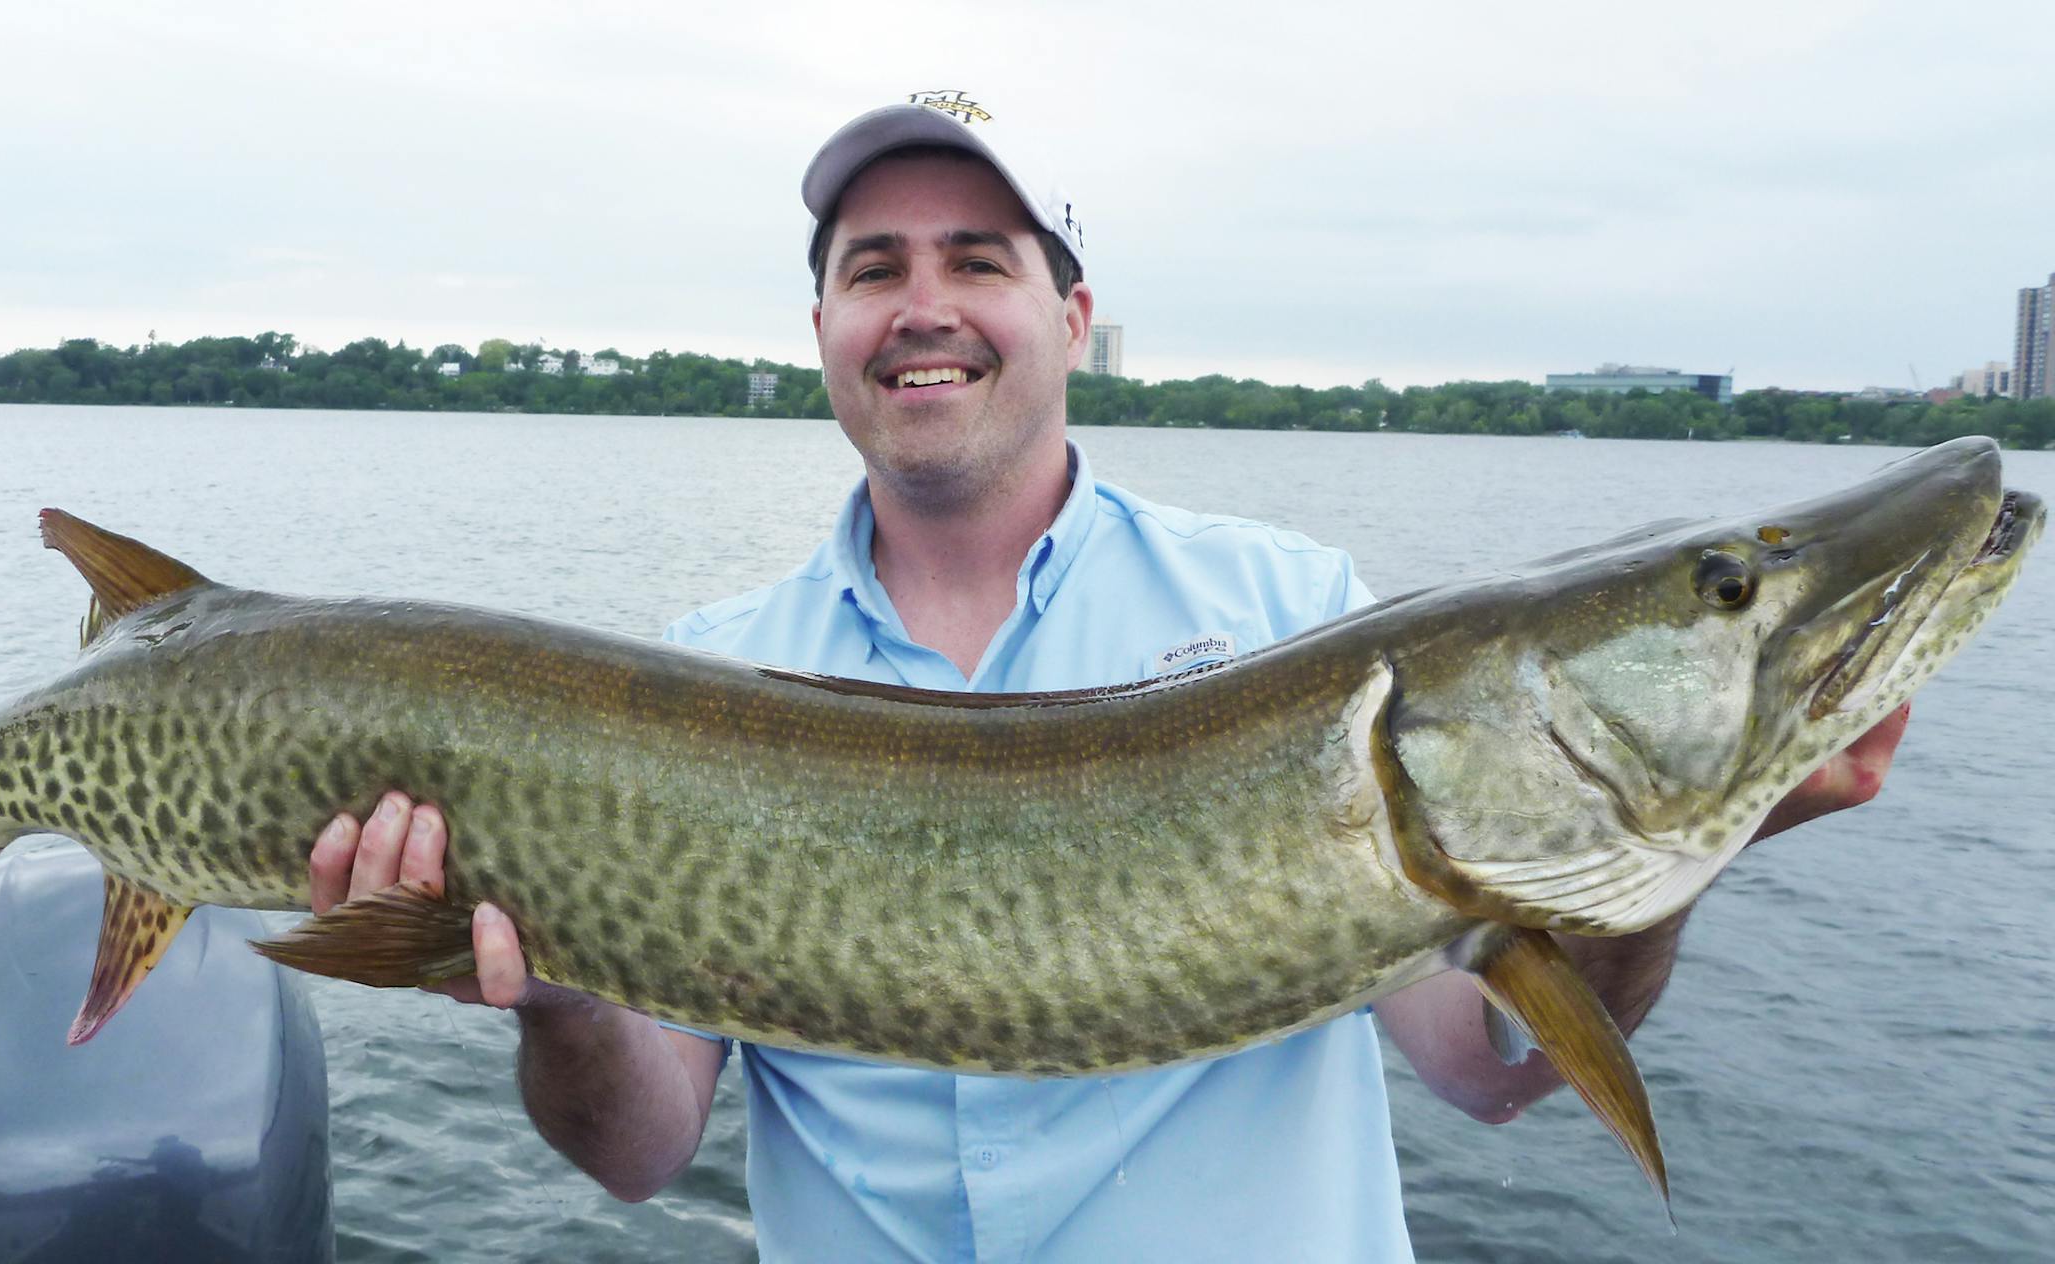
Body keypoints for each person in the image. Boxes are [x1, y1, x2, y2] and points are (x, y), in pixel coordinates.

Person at [307, 97, 1910, 1259]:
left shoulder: (1295, 616)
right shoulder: (712, 676)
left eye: (978, 260)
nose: (923, 306)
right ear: (824, 329)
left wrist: (1682, 851)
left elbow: (1490, 1071)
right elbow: (641, 1156)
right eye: (875, 268)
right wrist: (559, 982)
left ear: (1071, 316)